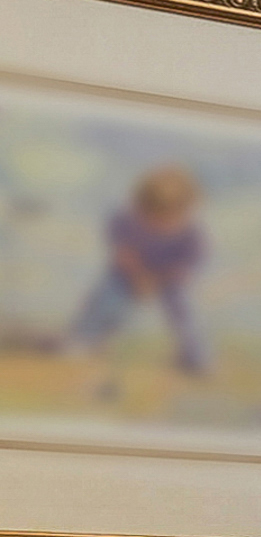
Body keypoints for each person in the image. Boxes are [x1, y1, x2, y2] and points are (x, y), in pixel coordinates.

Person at [76, 162, 210, 382]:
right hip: (129, 271)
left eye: (171, 218)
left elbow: (185, 268)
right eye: (154, 217)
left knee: (183, 311)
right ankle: (85, 339)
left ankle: (196, 357)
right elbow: (123, 253)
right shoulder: (124, 221)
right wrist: (139, 277)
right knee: (106, 299)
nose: (161, 224)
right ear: (140, 208)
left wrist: (161, 279)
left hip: (168, 277)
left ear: (186, 212)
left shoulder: (192, 235)